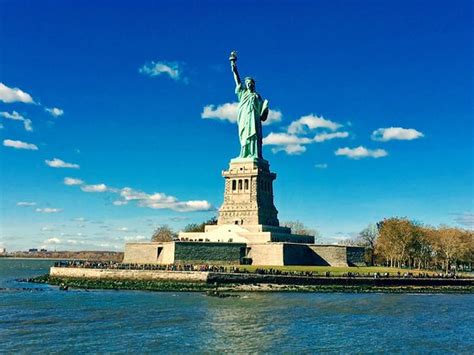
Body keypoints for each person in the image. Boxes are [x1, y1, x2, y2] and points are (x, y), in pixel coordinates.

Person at [230, 54, 269, 159]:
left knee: (254, 135)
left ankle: (254, 154)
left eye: (250, 83)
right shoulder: (242, 93)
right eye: (247, 83)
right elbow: (237, 80)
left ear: (253, 85)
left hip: (254, 118)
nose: (249, 84)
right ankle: (243, 154)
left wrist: (265, 109)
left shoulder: (257, 96)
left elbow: (262, 113)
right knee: (244, 135)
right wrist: (234, 67)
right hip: (244, 117)